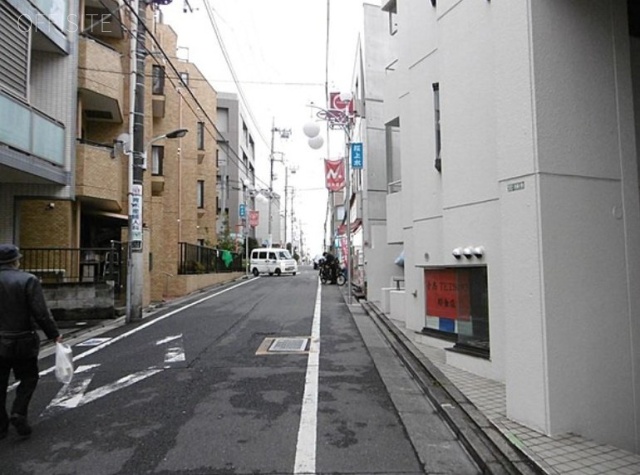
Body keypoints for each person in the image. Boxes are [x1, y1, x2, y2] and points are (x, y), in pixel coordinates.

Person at [0, 244, 61, 439]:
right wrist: (54, 334)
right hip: (23, 339)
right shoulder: (28, 280)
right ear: (15, 260)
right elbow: (41, 313)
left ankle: (1, 426)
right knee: (28, 378)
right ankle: (18, 411)